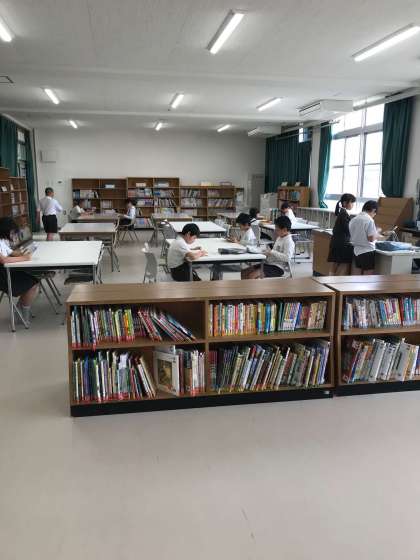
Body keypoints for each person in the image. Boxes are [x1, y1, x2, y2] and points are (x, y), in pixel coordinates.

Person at [0, 217, 39, 323]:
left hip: (7, 272)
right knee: (32, 284)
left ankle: (20, 309)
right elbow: (3, 260)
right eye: (11, 232)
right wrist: (24, 258)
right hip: (2, 277)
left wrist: (24, 252)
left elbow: (11, 253)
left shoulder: (2, 241)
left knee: (33, 280)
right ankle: (23, 313)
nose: (12, 235)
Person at [349, 200, 383, 275]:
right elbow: (371, 238)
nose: (374, 215)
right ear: (373, 210)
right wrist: (377, 232)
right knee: (367, 277)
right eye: (375, 213)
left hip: (356, 251)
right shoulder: (369, 220)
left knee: (356, 275)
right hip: (367, 251)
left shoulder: (354, 219)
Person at [327, 193, 356, 275]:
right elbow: (348, 229)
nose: (353, 205)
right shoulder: (343, 214)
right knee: (343, 264)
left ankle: (331, 280)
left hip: (337, 242)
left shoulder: (342, 212)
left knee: (335, 263)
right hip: (342, 243)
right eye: (352, 202)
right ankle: (336, 281)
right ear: (345, 203)